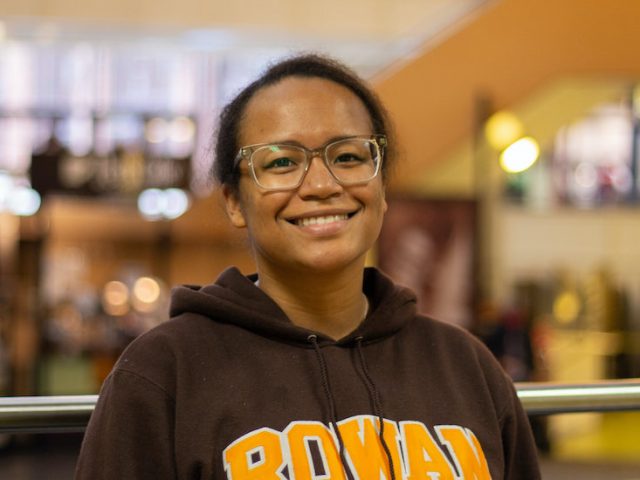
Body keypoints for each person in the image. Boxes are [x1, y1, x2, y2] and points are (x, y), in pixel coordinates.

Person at [75, 54, 541, 479]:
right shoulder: (163, 372)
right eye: (281, 162)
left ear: (380, 188)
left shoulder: (466, 367)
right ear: (235, 201)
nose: (321, 184)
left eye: (348, 157)